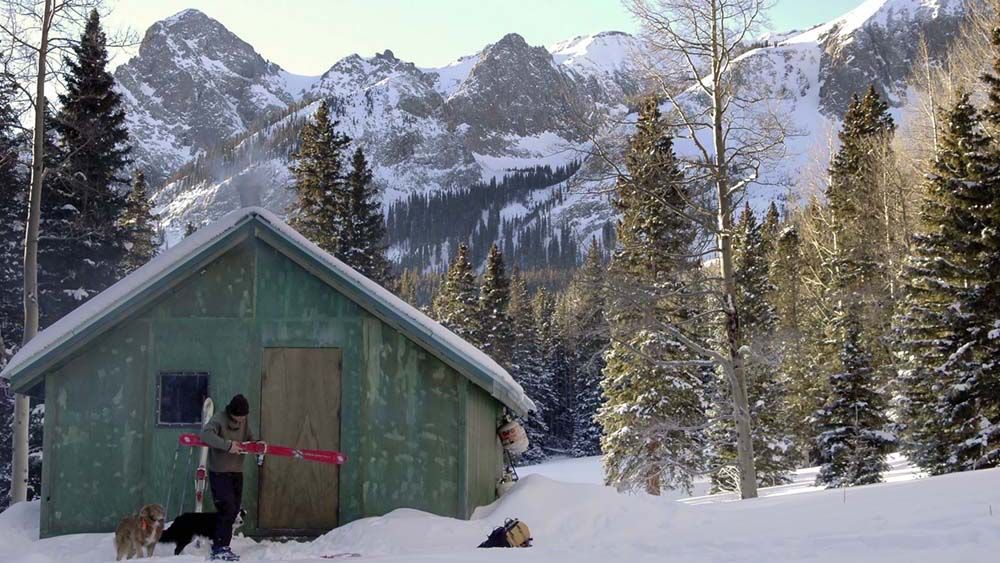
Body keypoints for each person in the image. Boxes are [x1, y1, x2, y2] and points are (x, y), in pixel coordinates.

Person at [200, 394, 255, 561]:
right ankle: (219, 548)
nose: (241, 421)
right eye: (239, 417)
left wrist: (256, 444)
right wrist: (228, 445)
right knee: (227, 508)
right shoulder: (219, 419)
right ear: (232, 413)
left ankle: (223, 544)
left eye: (244, 417)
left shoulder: (244, 420)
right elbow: (206, 435)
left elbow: (249, 437)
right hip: (219, 471)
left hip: (237, 471)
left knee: (234, 510)